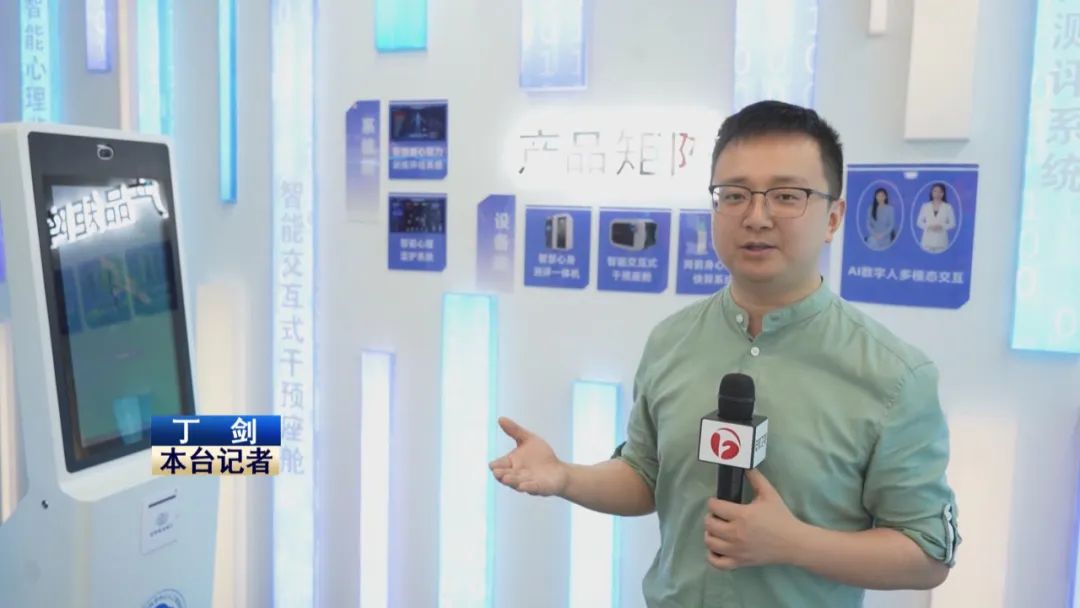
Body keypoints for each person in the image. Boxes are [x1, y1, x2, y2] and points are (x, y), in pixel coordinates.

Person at [489, 100, 960, 607]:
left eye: (786, 196)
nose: (756, 217)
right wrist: (565, 476)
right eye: (734, 195)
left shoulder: (893, 376)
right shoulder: (671, 340)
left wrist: (793, 543)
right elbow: (646, 475)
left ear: (833, 217)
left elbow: (927, 553)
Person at [916, 183, 956, 253]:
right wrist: (929, 226)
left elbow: (953, 223)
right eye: (935, 191)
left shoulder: (948, 207)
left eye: (940, 192)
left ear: (943, 193)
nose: (937, 194)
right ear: (931, 192)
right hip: (927, 241)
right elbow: (919, 222)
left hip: (941, 242)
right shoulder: (925, 206)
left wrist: (942, 226)